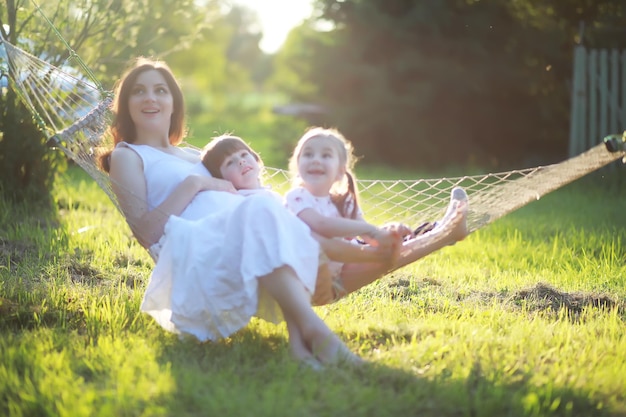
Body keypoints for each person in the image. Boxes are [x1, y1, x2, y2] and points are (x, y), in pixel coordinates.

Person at [97, 57, 394, 368]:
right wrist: (194, 183)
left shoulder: (193, 153)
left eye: (160, 90)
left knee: (270, 207)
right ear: (126, 105)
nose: (150, 98)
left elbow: (243, 187)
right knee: (263, 209)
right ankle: (321, 337)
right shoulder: (128, 156)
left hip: (244, 235)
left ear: (174, 103)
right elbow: (146, 233)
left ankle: (300, 344)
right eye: (139, 92)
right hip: (195, 248)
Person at [201, 133, 470, 304]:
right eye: (230, 163)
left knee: (394, 245)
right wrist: (373, 234)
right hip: (317, 279)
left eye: (243, 155)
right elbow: (318, 226)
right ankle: (447, 231)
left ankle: (441, 230)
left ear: (258, 160)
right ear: (223, 179)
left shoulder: (276, 197)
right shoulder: (254, 202)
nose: (241, 162)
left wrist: (378, 233)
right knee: (392, 253)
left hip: (334, 264)